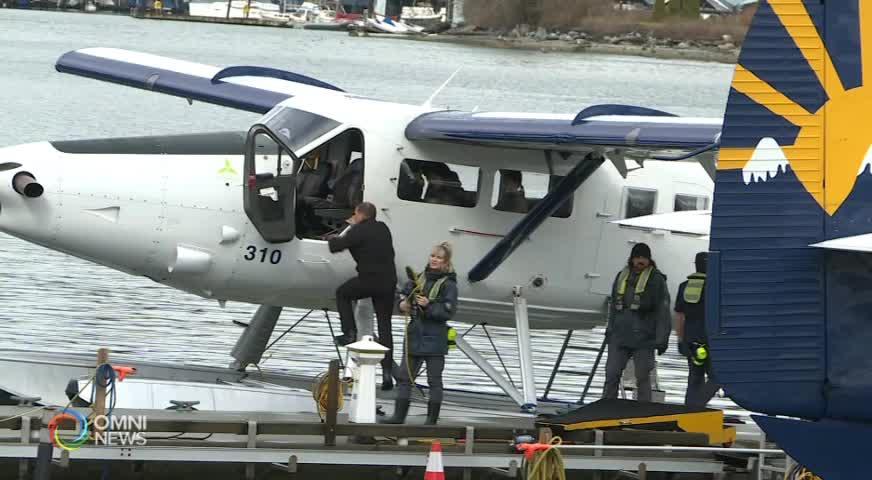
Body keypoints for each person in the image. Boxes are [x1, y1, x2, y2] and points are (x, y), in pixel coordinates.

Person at [381, 242, 458, 425]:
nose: (434, 260)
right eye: (433, 256)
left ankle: (431, 420)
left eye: (439, 257)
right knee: (404, 379)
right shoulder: (418, 278)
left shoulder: (449, 285)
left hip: (435, 337)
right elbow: (401, 296)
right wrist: (402, 305)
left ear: (445, 262)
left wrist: (428, 305)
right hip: (415, 334)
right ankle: (398, 417)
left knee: (434, 381)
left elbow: (448, 311)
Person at [328, 202, 398, 390]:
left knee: (342, 294)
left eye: (355, 214)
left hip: (369, 281)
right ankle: (387, 374)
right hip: (388, 282)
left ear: (360, 214)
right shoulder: (383, 228)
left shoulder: (357, 231)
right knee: (385, 327)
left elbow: (335, 247)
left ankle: (349, 332)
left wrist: (336, 234)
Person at [602, 243, 671, 402]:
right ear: (632, 259)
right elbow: (613, 307)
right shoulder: (621, 276)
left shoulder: (656, 280)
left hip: (644, 338)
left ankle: (644, 409)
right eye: (637, 257)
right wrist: (610, 331)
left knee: (643, 376)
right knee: (612, 373)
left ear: (649, 260)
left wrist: (662, 339)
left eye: (644, 258)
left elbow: (663, 311)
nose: (640, 261)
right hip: (620, 335)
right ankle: (606, 405)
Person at [675, 252, 720, 407]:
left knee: (694, 378)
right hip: (711, 341)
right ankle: (696, 406)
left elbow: (680, 316)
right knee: (718, 377)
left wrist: (680, 340)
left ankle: (690, 411)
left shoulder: (684, 287)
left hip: (692, 341)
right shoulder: (716, 288)